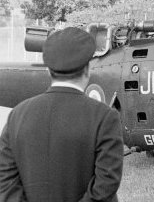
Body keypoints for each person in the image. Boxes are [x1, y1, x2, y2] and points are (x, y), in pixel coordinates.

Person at [0, 27, 124, 202]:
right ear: (87, 69)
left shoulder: (17, 116)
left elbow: (6, 182)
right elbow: (106, 184)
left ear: (49, 70)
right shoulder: (105, 117)